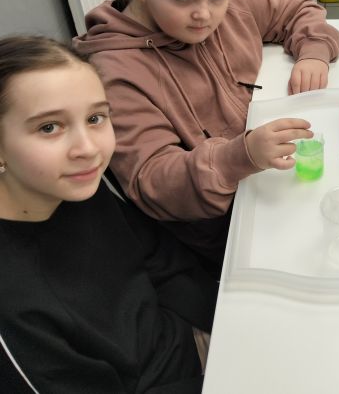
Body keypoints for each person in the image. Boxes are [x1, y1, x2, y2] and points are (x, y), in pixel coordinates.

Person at [74, 0, 339, 270]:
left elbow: (297, 8)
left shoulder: (230, 3)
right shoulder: (114, 75)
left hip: (267, 176)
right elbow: (153, 181)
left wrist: (314, 52)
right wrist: (238, 157)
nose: (205, 15)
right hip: (223, 225)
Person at [0, 36, 218, 393]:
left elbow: (159, 257)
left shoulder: (71, 185)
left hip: (197, 343)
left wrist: (229, 320)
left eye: (95, 118)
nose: (87, 149)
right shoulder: (11, 305)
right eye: (49, 127)